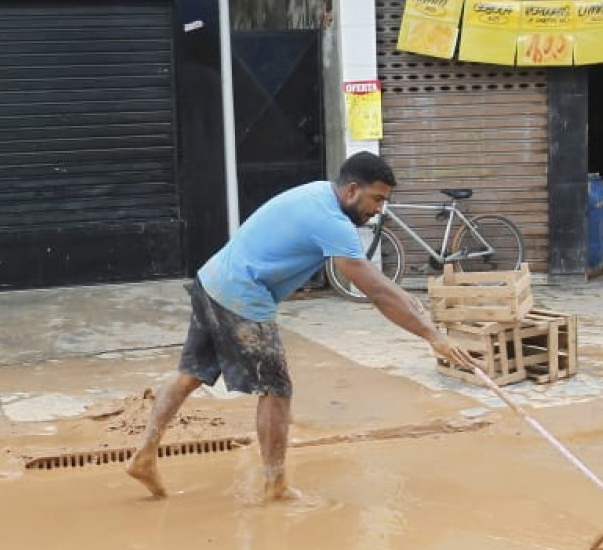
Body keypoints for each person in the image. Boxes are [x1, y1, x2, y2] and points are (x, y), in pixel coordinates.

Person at [127, 151, 479, 501]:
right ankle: (275, 485)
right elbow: (372, 288)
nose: (379, 209)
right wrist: (432, 337)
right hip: (242, 294)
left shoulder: (317, 194)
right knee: (276, 390)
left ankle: (144, 455)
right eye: (377, 199)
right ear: (352, 190)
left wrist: (406, 298)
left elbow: (378, 281)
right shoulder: (332, 221)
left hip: (214, 278)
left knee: (189, 374)